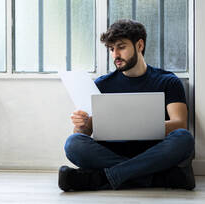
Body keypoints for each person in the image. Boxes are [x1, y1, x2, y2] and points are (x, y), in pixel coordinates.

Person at [58, 19, 195, 191]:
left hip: (153, 152)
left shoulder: (168, 81)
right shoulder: (101, 85)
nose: (115, 54)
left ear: (139, 45)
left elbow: (179, 124)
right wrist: (81, 125)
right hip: (112, 153)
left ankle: (101, 178)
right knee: (73, 143)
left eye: (121, 47)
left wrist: (137, 126)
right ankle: (158, 177)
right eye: (111, 49)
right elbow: (85, 133)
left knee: (184, 139)